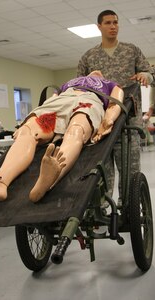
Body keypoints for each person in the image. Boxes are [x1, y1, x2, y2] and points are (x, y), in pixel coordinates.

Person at [0, 71, 124, 203]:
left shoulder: (110, 84)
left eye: (98, 71)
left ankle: (48, 181)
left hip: (88, 101)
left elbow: (116, 103)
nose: (95, 72)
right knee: (28, 131)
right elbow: (50, 100)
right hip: (60, 102)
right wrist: (29, 120)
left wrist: (109, 119)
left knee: (76, 130)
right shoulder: (67, 84)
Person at [77, 9, 155, 204]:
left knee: (130, 170)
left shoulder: (131, 50)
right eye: (108, 23)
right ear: (99, 27)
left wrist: (146, 76)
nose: (113, 26)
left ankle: (128, 208)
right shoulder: (89, 57)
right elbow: (79, 87)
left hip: (128, 122)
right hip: (100, 124)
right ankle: (103, 209)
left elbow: (149, 74)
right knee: (101, 171)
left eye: (116, 22)